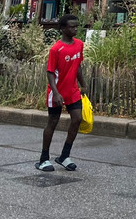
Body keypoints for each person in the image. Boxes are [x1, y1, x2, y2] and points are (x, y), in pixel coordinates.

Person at [37, 14, 85, 172]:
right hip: (57, 91)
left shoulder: (79, 44)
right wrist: (56, 93)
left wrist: (83, 85)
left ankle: (64, 156)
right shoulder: (56, 49)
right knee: (53, 122)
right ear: (63, 28)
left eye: (77, 26)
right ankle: (44, 159)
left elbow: (78, 66)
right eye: (72, 26)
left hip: (72, 90)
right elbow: (50, 72)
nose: (75, 29)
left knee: (77, 119)